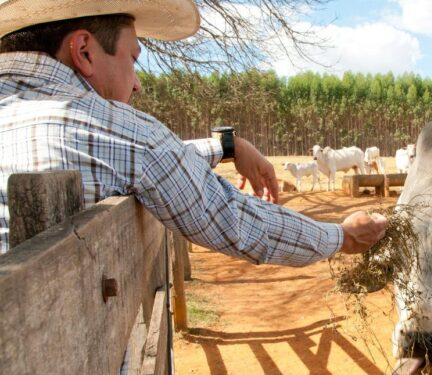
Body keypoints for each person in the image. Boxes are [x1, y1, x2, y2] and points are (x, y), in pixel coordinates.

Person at [0, 0, 387, 261]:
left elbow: (141, 159)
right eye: (133, 58)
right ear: (84, 51)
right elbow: (234, 219)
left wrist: (227, 146)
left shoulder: (28, 118)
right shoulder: (101, 124)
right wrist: (341, 236)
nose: (136, 84)